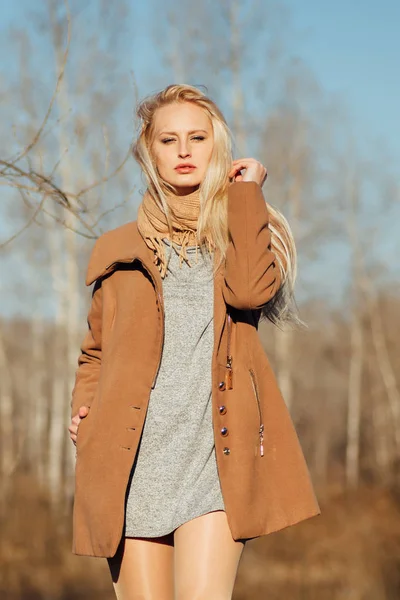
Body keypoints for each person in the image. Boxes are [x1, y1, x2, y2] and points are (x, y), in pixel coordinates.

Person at [68, 83, 320, 600]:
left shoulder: (241, 231)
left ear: (216, 147)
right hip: (130, 462)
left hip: (215, 462)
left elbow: (250, 292)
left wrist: (247, 193)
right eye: (169, 140)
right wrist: (83, 407)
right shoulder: (117, 250)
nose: (184, 151)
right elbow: (95, 349)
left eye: (198, 138)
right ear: (149, 152)